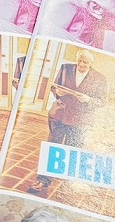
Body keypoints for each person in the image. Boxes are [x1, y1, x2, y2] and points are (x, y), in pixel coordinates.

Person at [28, 49, 107, 195]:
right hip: (60, 114)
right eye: (80, 61)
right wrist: (57, 92)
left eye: (85, 62)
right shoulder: (66, 68)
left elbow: (102, 101)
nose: (81, 64)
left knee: (73, 150)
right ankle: (43, 180)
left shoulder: (100, 78)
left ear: (91, 63)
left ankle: (68, 183)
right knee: (53, 146)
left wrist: (88, 99)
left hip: (80, 120)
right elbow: (54, 86)